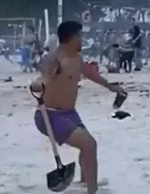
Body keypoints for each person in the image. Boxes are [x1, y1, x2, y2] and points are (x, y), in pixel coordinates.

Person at [29, 21, 126, 194]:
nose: (83, 39)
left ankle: (84, 182)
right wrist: (38, 84)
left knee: (87, 146)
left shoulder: (77, 58)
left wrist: (111, 87)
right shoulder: (54, 59)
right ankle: (92, 190)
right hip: (50, 116)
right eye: (81, 36)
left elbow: (90, 74)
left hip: (69, 114)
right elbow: (44, 78)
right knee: (89, 145)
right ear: (73, 37)